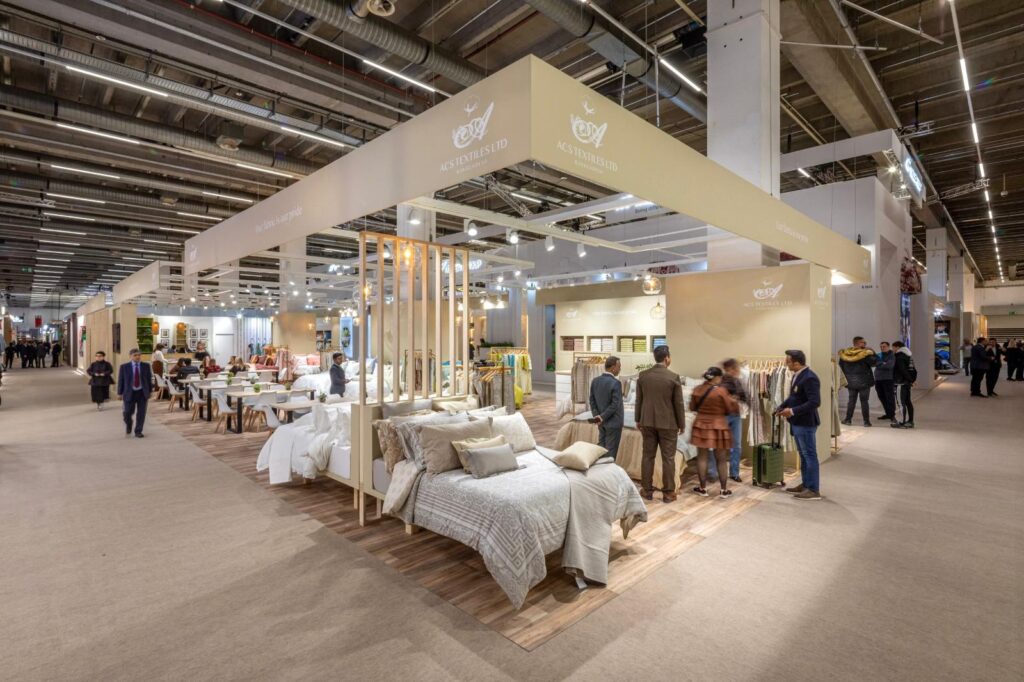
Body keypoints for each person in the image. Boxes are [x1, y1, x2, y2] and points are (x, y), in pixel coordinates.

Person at [635, 345, 685, 503]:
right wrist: (682, 424)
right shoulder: (673, 377)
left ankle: (646, 490)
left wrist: (638, 419)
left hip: (647, 421)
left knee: (647, 456)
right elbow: (679, 404)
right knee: (668, 459)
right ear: (667, 358)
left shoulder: (643, 375)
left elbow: (639, 400)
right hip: (668, 424)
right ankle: (668, 493)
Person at [775, 349, 822, 501]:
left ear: (796, 363)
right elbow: (794, 397)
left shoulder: (810, 378)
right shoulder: (798, 375)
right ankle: (806, 484)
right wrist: (782, 406)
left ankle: (813, 490)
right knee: (803, 455)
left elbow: (815, 402)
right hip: (798, 423)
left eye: (787, 361)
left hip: (806, 423)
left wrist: (792, 411)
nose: (785, 364)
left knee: (809, 455)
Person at [689, 366, 739, 498]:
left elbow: (692, 407)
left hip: (701, 425)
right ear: (717, 377)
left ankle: (702, 488)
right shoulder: (721, 391)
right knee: (721, 459)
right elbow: (729, 408)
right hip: (719, 426)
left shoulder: (697, 389)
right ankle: (723, 490)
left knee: (702, 457)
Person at [708, 359, 748, 483]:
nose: (738, 371)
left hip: (735, 415)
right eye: (735, 368)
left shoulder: (737, 381)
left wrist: (736, 398)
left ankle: (734, 473)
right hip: (721, 416)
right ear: (729, 369)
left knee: (736, 445)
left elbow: (744, 397)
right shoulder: (719, 381)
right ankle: (713, 472)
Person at [589, 355, 624, 461]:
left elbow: (592, 401)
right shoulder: (616, 383)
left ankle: (598, 470)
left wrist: (597, 416)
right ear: (613, 367)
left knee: (601, 450)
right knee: (610, 454)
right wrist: (602, 417)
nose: (620, 369)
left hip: (601, 423)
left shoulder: (595, 381)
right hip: (614, 423)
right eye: (619, 367)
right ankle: (608, 471)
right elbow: (615, 405)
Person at [838, 336, 877, 426]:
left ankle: (848, 420)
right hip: (864, 382)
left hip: (851, 382)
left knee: (851, 401)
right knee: (864, 401)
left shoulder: (845, 354)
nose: (865, 344)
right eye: (863, 342)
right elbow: (875, 363)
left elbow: (841, 366)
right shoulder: (865, 354)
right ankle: (866, 422)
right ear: (857, 343)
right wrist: (873, 352)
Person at [117, 348, 153, 438]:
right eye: (135, 355)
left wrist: (150, 391)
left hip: (142, 393)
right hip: (129, 392)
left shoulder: (146, 366)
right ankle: (129, 423)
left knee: (141, 413)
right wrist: (119, 393)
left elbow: (149, 379)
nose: (137, 357)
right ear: (130, 356)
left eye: (139, 355)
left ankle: (138, 431)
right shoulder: (124, 367)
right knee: (127, 412)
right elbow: (121, 380)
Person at [890, 341, 917, 429]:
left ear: (897, 347)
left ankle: (901, 422)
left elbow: (902, 370)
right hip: (906, 383)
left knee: (900, 402)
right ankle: (910, 421)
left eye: (893, 347)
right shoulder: (908, 355)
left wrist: (910, 380)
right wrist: (912, 380)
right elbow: (913, 370)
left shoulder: (899, 357)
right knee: (908, 402)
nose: (892, 349)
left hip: (900, 382)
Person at [873, 342, 896, 422]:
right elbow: (874, 363)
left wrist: (880, 364)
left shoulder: (892, 355)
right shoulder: (879, 355)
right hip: (878, 379)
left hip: (888, 379)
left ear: (888, 347)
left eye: (884, 346)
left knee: (889, 398)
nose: (882, 348)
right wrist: (883, 363)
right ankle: (888, 414)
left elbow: (889, 366)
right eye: (881, 347)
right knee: (882, 397)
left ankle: (892, 415)